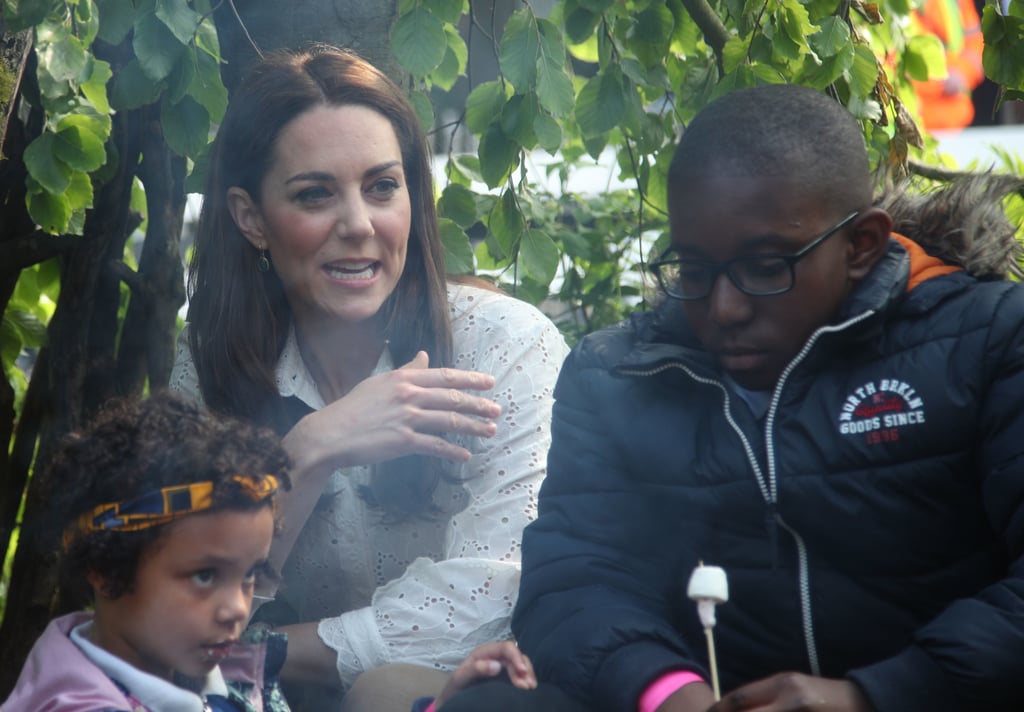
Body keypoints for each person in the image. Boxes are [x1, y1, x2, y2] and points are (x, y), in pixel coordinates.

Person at [441, 83, 1024, 711]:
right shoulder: (619, 376)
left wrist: (869, 698)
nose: (724, 308)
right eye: (694, 270)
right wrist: (665, 692)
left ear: (862, 247)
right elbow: (575, 580)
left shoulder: (988, 340)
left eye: (767, 267)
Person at [168, 45, 569, 711]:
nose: (358, 226)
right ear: (250, 219)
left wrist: (253, 655)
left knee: (383, 694)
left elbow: (495, 599)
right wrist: (308, 451)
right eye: (315, 194)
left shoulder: (504, 348)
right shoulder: (208, 373)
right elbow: (182, 607)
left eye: (382, 187)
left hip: (478, 699)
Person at [2, 392, 293, 712]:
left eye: (249, 573)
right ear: (105, 566)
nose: (238, 609)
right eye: (205, 575)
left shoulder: (187, 669)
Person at [909, 0, 985, 131]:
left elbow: (976, 45)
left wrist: (963, 74)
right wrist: (939, 80)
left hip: (956, 119)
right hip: (911, 119)